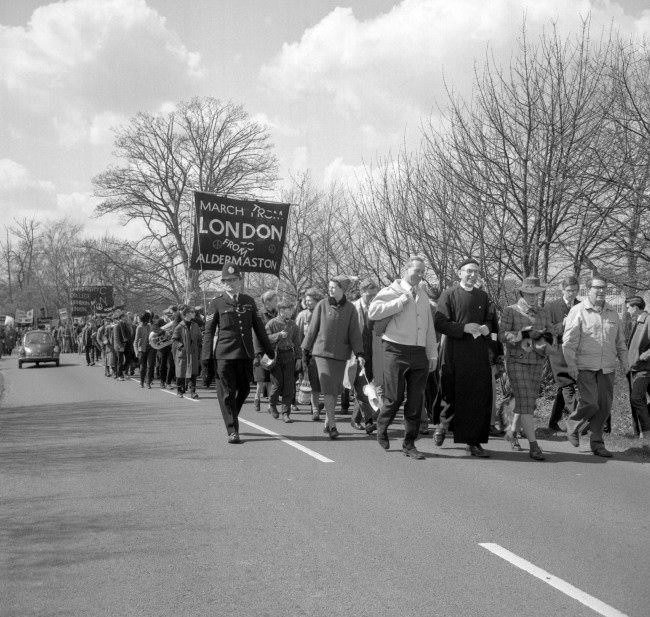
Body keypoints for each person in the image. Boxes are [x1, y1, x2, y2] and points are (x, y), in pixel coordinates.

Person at [368, 256, 437, 459]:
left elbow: (429, 328)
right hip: (395, 349)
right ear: (405, 270)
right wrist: (400, 301)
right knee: (394, 397)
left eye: (423, 271)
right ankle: (382, 427)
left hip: (418, 352)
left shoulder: (423, 295)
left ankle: (409, 444)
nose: (420, 274)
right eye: (416, 270)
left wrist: (432, 353)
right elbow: (373, 312)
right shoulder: (392, 290)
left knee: (416, 401)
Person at [201, 260, 274, 444]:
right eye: (227, 281)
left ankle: (231, 414)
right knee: (226, 393)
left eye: (234, 280)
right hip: (224, 355)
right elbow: (209, 332)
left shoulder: (249, 301)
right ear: (223, 283)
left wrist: (270, 351)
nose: (230, 283)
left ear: (240, 281)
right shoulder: (216, 303)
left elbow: (259, 328)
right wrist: (206, 358)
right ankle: (233, 430)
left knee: (243, 389)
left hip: (244, 354)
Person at [433, 257, 498, 458]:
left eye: (476, 272)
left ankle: (473, 442)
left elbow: (490, 319)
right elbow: (440, 323)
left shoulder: (483, 296)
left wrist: (487, 326)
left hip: (477, 353)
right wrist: (463, 328)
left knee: (477, 397)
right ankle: (442, 426)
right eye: (468, 271)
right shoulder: (449, 294)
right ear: (459, 273)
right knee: (451, 393)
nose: (472, 275)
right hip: (454, 351)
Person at [563, 276, 628, 457]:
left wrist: (626, 364)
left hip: (607, 367)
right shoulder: (578, 311)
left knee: (605, 407)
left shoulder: (613, 314)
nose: (601, 291)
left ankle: (597, 443)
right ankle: (572, 424)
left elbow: (620, 343)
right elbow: (568, 343)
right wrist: (571, 365)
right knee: (591, 402)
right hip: (585, 366)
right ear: (588, 289)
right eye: (597, 288)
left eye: (604, 288)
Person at [302, 276, 365, 439]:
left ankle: (327, 422)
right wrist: (305, 349)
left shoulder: (351, 309)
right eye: (329, 287)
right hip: (322, 353)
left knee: (336, 390)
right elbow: (312, 329)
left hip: (341, 355)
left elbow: (355, 333)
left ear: (342, 289)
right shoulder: (322, 305)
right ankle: (332, 425)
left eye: (334, 287)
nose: (330, 290)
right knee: (329, 389)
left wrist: (359, 353)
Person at [499, 277, 554, 461]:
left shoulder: (543, 312)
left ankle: (512, 432)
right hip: (516, 362)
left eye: (536, 293)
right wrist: (522, 333)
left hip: (537, 361)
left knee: (525, 401)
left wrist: (544, 337)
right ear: (522, 292)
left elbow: (551, 333)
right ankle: (534, 445)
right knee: (526, 402)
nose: (533, 297)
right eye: (529, 293)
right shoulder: (510, 310)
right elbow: (502, 335)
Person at [544, 276, 580, 431]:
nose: (571, 293)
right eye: (569, 290)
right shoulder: (551, 306)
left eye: (575, 290)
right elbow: (546, 329)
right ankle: (580, 421)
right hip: (557, 350)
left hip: (576, 351)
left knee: (563, 386)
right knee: (566, 383)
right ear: (562, 289)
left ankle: (553, 422)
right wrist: (563, 326)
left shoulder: (582, 306)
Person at [265, 299, 302, 422]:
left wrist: (299, 358)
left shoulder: (293, 325)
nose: (291, 312)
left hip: (289, 355)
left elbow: (297, 343)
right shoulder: (271, 323)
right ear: (281, 310)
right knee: (278, 383)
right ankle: (272, 404)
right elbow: (265, 338)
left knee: (289, 385)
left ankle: (286, 413)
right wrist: (278, 335)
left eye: (292, 309)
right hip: (276, 355)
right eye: (289, 309)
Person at [351, 279, 380, 434]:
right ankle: (369, 421)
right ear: (362, 293)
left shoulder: (378, 307)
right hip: (357, 353)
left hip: (373, 352)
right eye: (369, 295)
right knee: (362, 386)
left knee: (369, 387)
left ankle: (355, 418)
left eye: (375, 295)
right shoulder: (353, 308)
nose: (372, 298)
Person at [296, 288, 325, 420]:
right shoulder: (302, 315)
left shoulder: (325, 313)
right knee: (312, 381)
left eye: (310, 300)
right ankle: (315, 410)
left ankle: (321, 404)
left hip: (324, 352)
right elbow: (298, 335)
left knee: (323, 381)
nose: (307, 303)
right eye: (306, 301)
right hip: (309, 353)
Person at [625, 296, 650, 438]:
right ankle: (640, 433)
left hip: (644, 368)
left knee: (636, 398)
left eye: (628, 307)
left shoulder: (648, 320)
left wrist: (643, 356)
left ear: (635, 307)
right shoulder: (637, 321)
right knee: (636, 399)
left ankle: (646, 434)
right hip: (633, 368)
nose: (627, 310)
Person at [252, 290, 278, 412]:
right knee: (261, 378)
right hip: (262, 350)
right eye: (275, 300)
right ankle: (257, 398)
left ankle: (270, 404)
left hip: (273, 350)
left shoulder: (277, 314)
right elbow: (256, 334)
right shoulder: (260, 314)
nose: (277, 303)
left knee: (271, 378)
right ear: (267, 302)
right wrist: (257, 353)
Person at [172, 305, 202, 398]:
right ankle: (179, 390)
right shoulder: (180, 326)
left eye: (194, 312)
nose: (194, 313)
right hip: (183, 353)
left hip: (193, 353)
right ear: (186, 314)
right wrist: (181, 347)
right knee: (181, 373)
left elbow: (199, 339)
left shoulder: (195, 325)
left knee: (193, 373)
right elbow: (174, 340)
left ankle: (193, 392)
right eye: (192, 312)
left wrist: (199, 348)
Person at [134, 311, 156, 389]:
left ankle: (148, 382)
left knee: (150, 366)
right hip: (142, 349)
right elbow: (136, 341)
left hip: (151, 348)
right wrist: (136, 352)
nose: (145, 322)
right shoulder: (139, 327)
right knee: (143, 367)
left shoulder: (150, 326)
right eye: (144, 321)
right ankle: (142, 382)